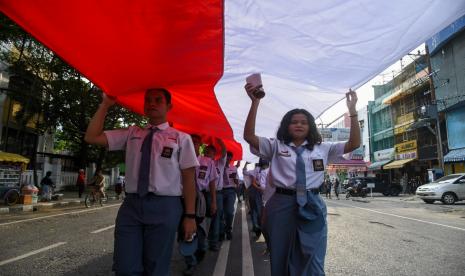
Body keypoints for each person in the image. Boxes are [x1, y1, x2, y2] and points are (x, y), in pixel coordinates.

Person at [243, 82, 360, 276]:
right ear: (287, 126)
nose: (298, 125)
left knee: (313, 259)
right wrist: (254, 103)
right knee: (280, 257)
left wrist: (353, 111)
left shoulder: (323, 148)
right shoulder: (275, 146)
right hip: (281, 204)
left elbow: (354, 143)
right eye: (294, 121)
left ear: (310, 127)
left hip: (313, 204)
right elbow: (249, 136)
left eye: (303, 122)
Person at [85, 88, 198, 276]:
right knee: (125, 267)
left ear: (169, 106)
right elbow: (92, 137)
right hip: (132, 206)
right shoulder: (132, 133)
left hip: (166, 206)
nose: (151, 103)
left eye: (157, 100)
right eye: (148, 100)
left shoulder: (181, 138)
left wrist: (190, 216)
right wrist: (105, 105)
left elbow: (188, 180)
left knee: (156, 268)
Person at [181, 134, 217, 275]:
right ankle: (190, 261)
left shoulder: (207, 161)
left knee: (201, 230)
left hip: (201, 198)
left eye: (196, 142)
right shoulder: (180, 158)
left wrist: (213, 201)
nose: (193, 144)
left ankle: (202, 247)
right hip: (182, 197)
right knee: (184, 231)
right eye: (190, 141)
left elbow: (213, 181)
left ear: (200, 145)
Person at [204, 142, 225, 251]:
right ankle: (202, 243)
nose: (206, 154)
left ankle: (213, 242)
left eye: (209, 152)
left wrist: (220, 141)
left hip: (217, 194)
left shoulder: (219, 163)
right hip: (204, 194)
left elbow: (224, 153)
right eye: (205, 152)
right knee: (203, 219)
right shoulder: (201, 162)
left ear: (214, 154)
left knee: (215, 218)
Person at [221, 151, 239, 240]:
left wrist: (236, 180)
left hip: (231, 191)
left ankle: (228, 230)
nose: (228, 159)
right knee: (220, 213)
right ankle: (220, 231)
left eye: (229, 158)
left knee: (229, 212)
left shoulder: (234, 168)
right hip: (220, 191)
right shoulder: (219, 166)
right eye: (227, 157)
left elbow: (237, 182)